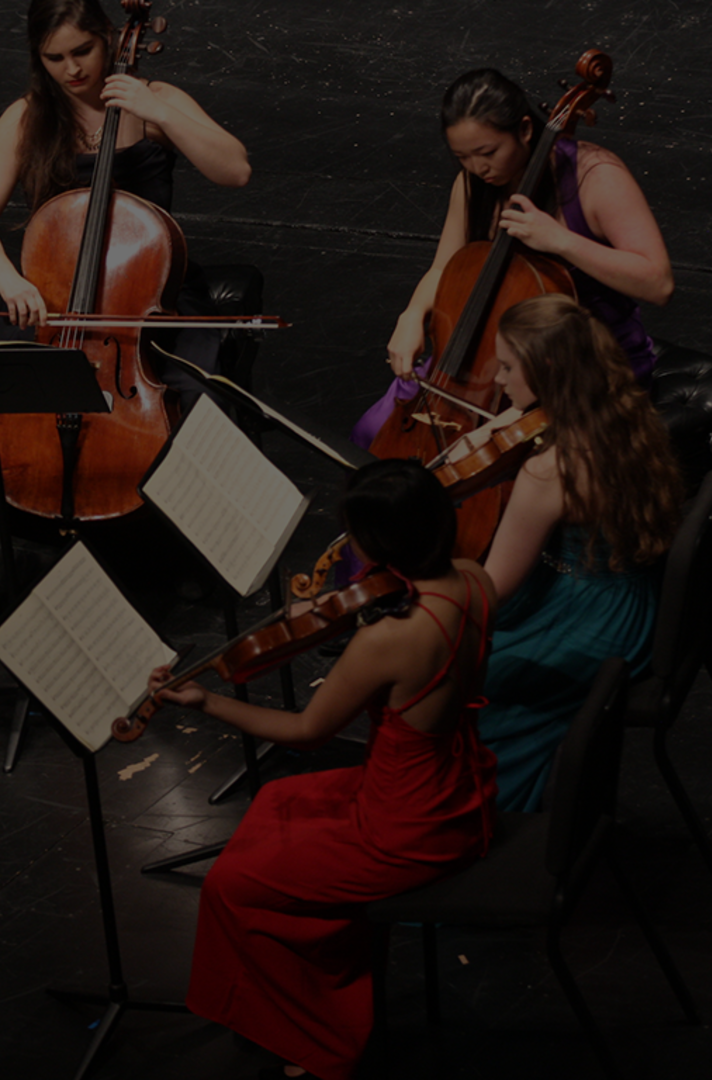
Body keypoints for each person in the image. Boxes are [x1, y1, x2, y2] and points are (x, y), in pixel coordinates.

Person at [0, 0, 251, 655]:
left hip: (145, 302)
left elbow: (234, 169)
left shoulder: (154, 102)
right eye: (55, 58)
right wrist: (12, 281)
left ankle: (198, 561)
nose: (72, 70)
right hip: (59, 304)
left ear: (106, 42)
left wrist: (161, 112)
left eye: (83, 53)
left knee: (198, 399)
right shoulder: (27, 118)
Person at [152, 459, 498, 1080]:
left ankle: (318, 1038)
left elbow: (307, 731)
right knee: (279, 803)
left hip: (402, 826)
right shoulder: (475, 580)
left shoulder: (389, 640)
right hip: (457, 791)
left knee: (232, 886)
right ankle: (328, 991)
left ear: (382, 542)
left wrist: (207, 701)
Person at [355, 66, 673, 446]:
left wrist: (562, 241)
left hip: (584, 361)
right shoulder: (471, 183)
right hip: (493, 355)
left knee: (486, 458)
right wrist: (411, 316)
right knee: (373, 433)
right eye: (463, 157)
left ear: (524, 130)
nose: (477, 168)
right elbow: (444, 267)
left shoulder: (595, 176)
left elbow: (657, 282)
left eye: (487, 152)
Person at [473, 294, 680, 810]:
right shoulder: (623, 412)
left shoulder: (550, 471)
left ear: (546, 369)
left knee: (472, 676)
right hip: (630, 600)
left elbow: (493, 587)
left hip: (586, 615)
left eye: (506, 367)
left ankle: (486, 810)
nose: (497, 381)